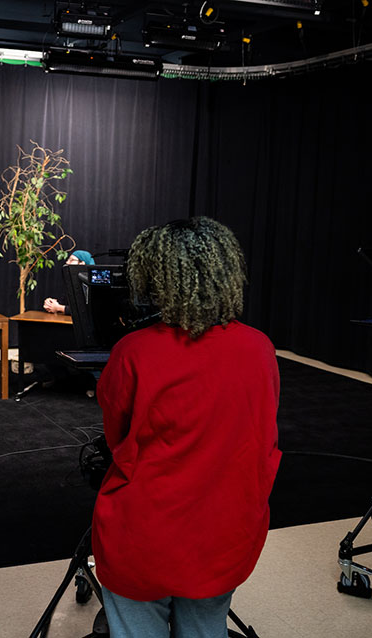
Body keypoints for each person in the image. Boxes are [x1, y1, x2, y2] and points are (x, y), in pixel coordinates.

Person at [92, 217, 281, 638]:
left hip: (144, 535)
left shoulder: (134, 352)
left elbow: (117, 440)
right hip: (226, 533)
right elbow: (261, 434)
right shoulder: (259, 347)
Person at [43, 250, 94, 315]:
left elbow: (86, 310)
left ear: (82, 263)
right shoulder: (72, 282)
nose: (67, 262)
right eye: (68, 259)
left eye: (72, 260)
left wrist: (59, 308)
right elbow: (66, 303)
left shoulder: (91, 284)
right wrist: (51, 303)